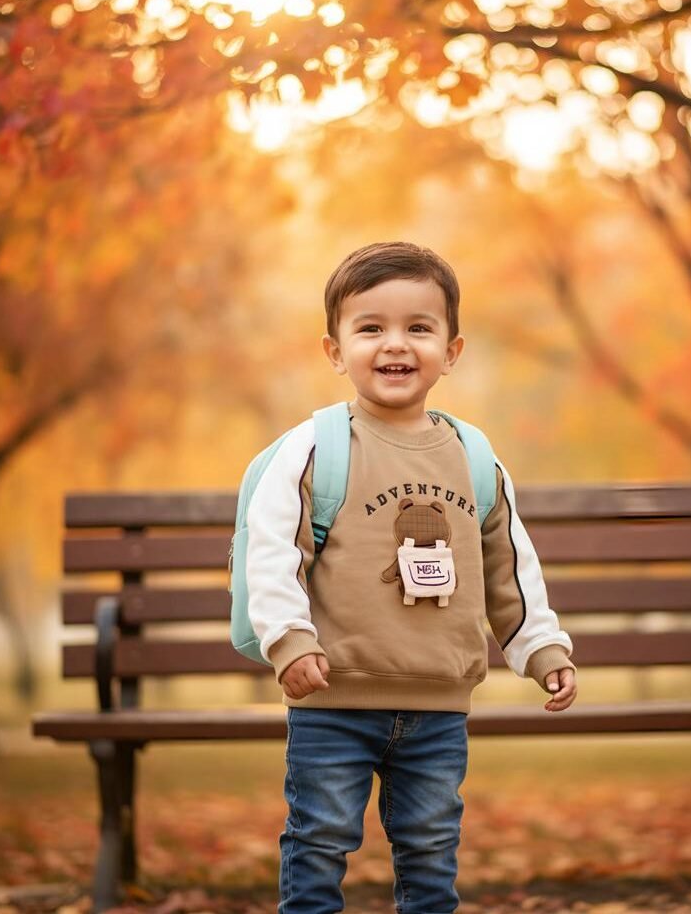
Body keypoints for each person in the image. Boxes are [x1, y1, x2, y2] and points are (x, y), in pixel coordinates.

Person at [246, 241, 577, 914]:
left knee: (430, 850)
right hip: (333, 701)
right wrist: (288, 640)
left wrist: (542, 650)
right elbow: (271, 551)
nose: (395, 344)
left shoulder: (476, 458)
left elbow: (510, 568)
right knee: (319, 841)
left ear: (451, 351)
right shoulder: (313, 449)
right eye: (370, 328)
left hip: (437, 708)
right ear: (335, 350)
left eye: (417, 328)